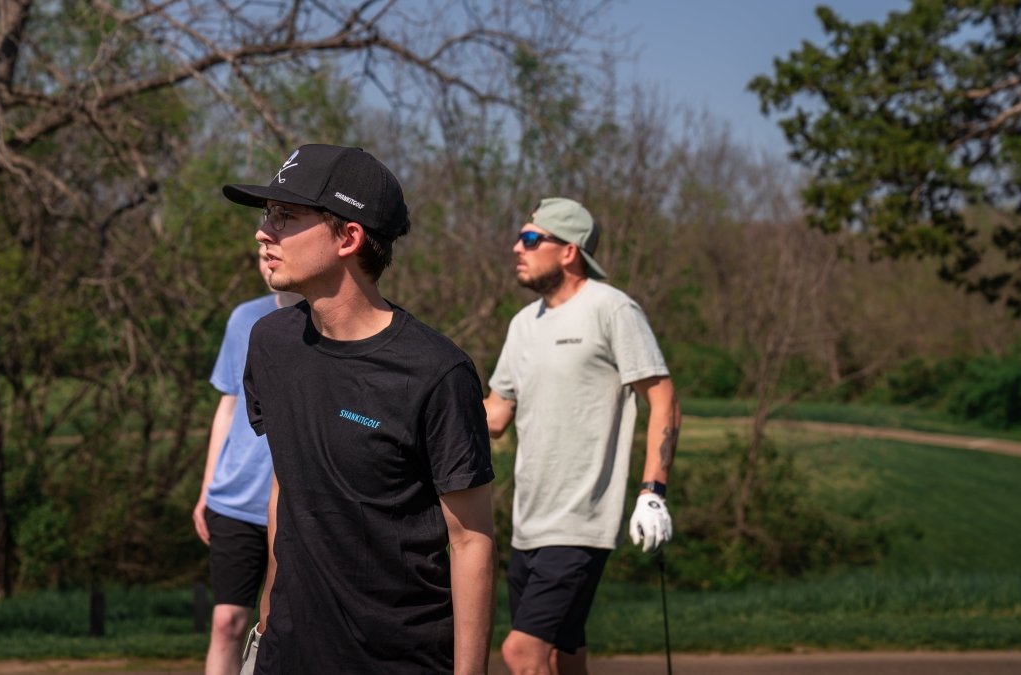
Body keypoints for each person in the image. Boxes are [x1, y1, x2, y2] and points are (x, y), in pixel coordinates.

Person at [221, 144, 497, 675]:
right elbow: (287, 484)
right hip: (286, 652)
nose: (264, 232)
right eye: (267, 214)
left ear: (348, 237)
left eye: (286, 216)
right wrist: (266, 625)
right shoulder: (271, 343)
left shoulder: (437, 372)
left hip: (399, 659)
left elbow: (470, 540)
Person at [484, 197, 680, 675]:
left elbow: (664, 398)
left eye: (530, 239)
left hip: (580, 521)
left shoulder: (611, 308)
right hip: (528, 523)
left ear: (568, 251)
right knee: (564, 655)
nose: (517, 247)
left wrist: (653, 492)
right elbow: (494, 414)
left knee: (521, 653)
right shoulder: (522, 324)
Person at [193, 247, 301, 675]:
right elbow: (228, 406)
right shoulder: (243, 319)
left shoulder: (330, 323)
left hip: (294, 503)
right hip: (234, 500)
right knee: (226, 622)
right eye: (259, 255)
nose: (265, 260)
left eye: (272, 252)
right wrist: (207, 490)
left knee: (280, 627)